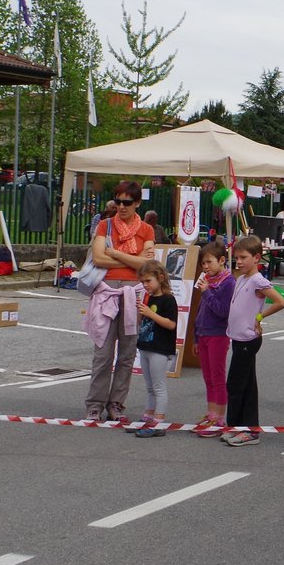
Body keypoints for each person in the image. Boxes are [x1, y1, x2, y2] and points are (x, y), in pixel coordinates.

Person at [84, 181, 154, 424]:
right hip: (107, 291)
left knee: (127, 353)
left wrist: (115, 254)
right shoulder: (105, 224)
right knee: (102, 352)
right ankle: (94, 404)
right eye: (118, 201)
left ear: (137, 203)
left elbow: (147, 266)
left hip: (134, 293)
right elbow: (98, 257)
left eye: (127, 202)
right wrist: (131, 260)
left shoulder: (146, 229)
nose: (121, 206)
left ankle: (116, 403)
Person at [220, 235, 284, 445]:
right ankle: (242, 427)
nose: (238, 261)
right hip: (239, 339)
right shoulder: (241, 278)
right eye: (237, 257)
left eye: (243, 257)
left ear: (257, 258)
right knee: (246, 384)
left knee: (236, 384)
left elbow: (280, 302)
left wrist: (260, 317)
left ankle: (245, 429)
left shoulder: (258, 280)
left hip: (249, 340)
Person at [132, 260, 179, 437]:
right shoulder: (149, 298)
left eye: (148, 281)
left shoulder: (168, 300)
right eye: (143, 282)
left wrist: (151, 313)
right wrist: (140, 313)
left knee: (158, 386)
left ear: (160, 278)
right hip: (145, 345)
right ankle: (148, 415)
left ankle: (158, 421)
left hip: (160, 348)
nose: (145, 285)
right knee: (149, 386)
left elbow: (171, 324)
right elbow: (142, 322)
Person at [191, 241, 233, 436]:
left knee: (217, 377)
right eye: (203, 263)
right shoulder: (207, 281)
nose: (205, 266)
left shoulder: (227, 283)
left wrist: (207, 291)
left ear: (222, 260)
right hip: (204, 333)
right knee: (207, 377)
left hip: (218, 334)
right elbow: (201, 311)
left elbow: (223, 311)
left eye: (209, 262)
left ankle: (220, 418)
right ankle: (210, 414)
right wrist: (196, 337)